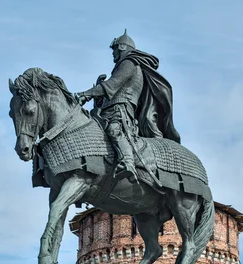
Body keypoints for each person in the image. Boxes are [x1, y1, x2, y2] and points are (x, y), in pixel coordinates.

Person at [77, 30, 180, 183]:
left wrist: (86, 94)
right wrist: (98, 91)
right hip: (109, 109)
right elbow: (108, 92)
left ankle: (128, 163)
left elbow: (112, 85)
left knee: (114, 130)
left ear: (122, 47)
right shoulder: (122, 65)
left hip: (120, 110)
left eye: (115, 50)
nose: (113, 54)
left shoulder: (130, 63)